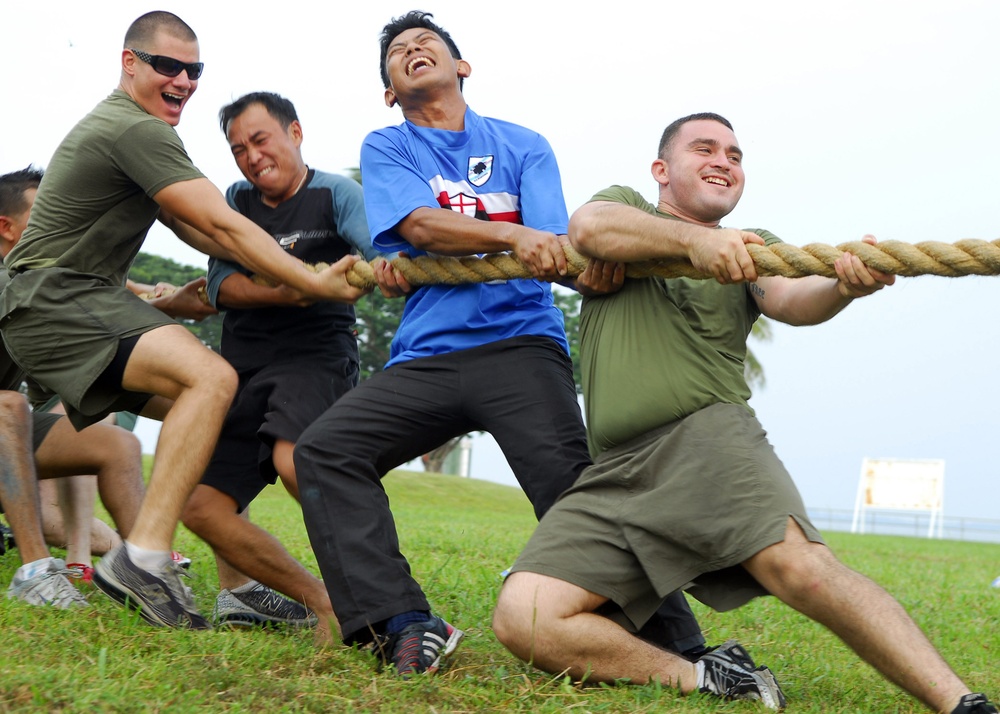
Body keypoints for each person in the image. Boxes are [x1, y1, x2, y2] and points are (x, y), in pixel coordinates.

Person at [491, 113, 998, 714]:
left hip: (705, 439)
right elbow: (589, 225)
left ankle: (961, 704)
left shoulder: (750, 245)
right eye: (704, 148)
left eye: (734, 155)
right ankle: (706, 677)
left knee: (801, 570)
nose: (723, 161)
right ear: (660, 171)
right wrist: (694, 241)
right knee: (525, 617)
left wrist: (843, 286)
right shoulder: (626, 210)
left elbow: (790, 298)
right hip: (614, 474)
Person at [295, 10, 715, 676]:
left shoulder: (523, 145)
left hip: (521, 344)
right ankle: (402, 623)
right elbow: (420, 227)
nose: (412, 51)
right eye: (398, 52)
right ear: (388, 90)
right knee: (325, 450)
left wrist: (577, 261)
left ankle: (686, 647)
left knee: (575, 492)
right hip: (427, 356)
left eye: (426, 43)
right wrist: (513, 235)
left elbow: (552, 243)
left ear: (462, 67)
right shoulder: (388, 146)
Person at [0, 11, 367, 628]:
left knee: (219, 410)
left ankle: (238, 588)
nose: (183, 81)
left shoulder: (141, 136)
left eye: (194, 71)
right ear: (129, 63)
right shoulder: (134, 128)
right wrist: (307, 279)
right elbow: (221, 222)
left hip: (76, 302)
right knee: (214, 378)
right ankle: (141, 557)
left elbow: (194, 226)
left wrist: (219, 288)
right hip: (58, 299)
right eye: (167, 66)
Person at [179, 91, 379, 638]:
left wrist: (366, 273)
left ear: (295, 132)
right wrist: (295, 287)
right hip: (240, 367)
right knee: (199, 506)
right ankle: (327, 602)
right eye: (238, 148)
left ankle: (382, 595)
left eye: (260, 139)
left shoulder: (336, 192)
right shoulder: (235, 199)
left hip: (315, 358)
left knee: (297, 463)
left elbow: (374, 256)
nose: (251, 156)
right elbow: (221, 286)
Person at [0, 167, 147, 609]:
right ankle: (34, 573)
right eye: (44, 215)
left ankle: (146, 572)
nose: (59, 225)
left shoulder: (30, 281)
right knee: (10, 406)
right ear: (6, 227)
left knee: (119, 446)